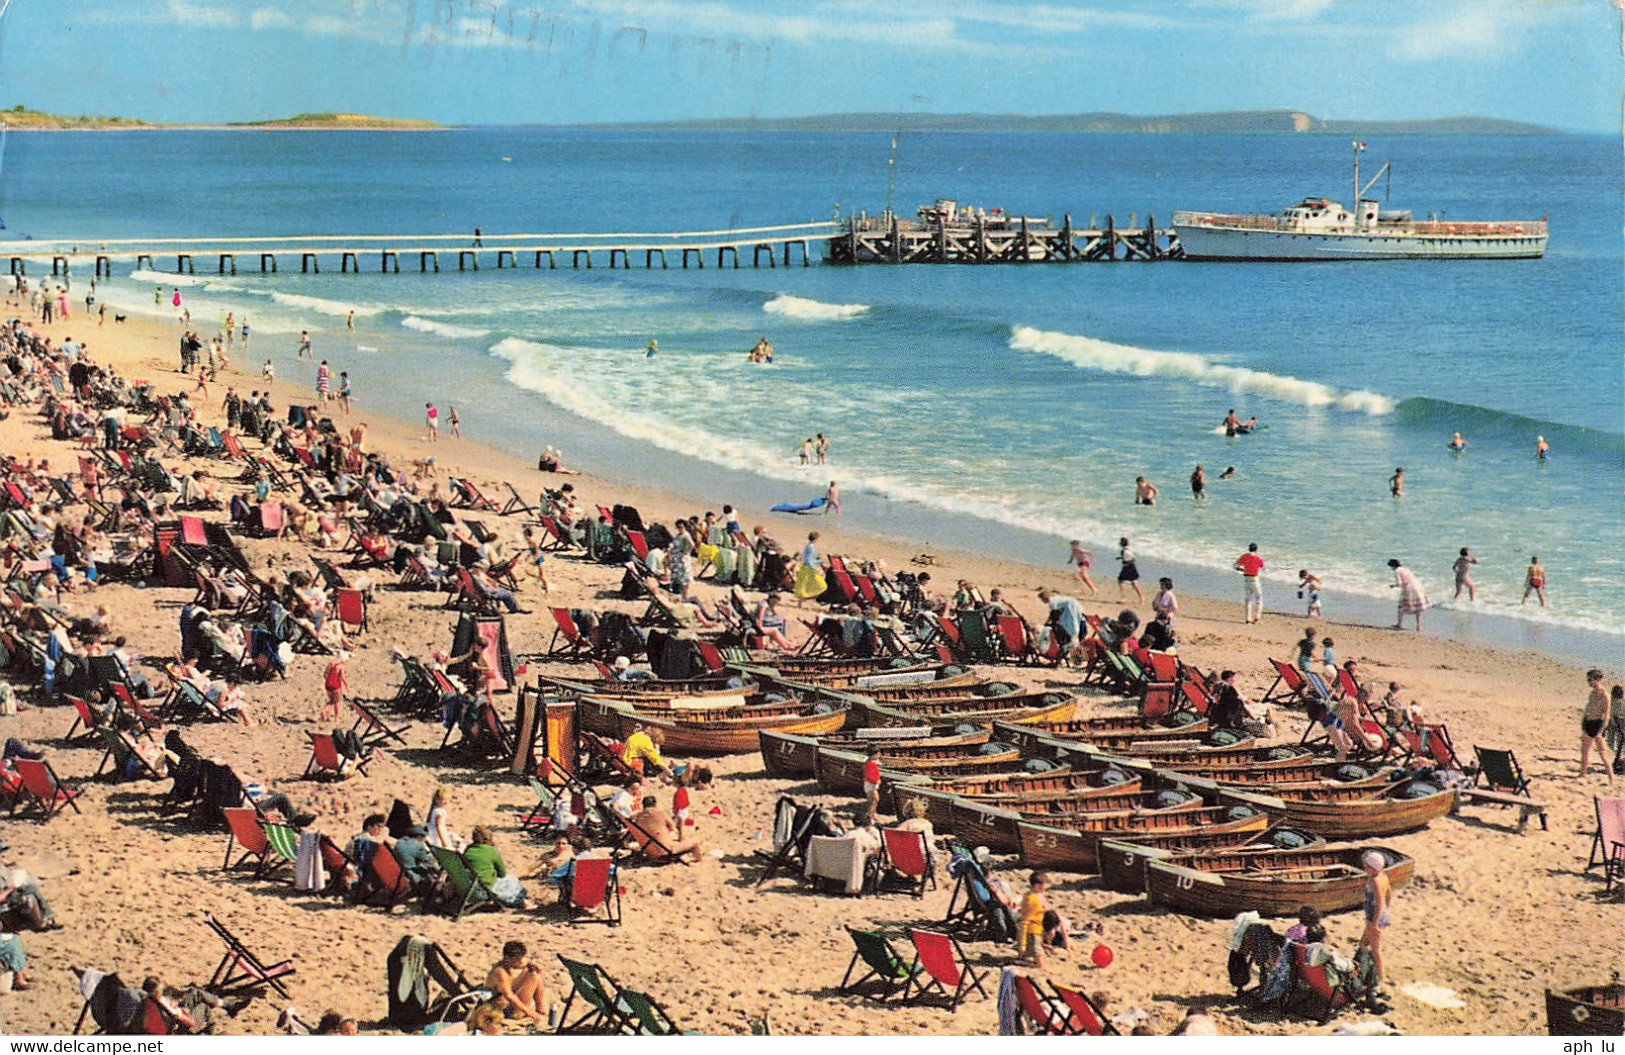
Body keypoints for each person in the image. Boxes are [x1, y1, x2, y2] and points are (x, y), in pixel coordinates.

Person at [485, 941, 549, 1029]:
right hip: (504, 1010)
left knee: (534, 973)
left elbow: (525, 964)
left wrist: (533, 965)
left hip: (506, 1001)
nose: (521, 962)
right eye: (518, 960)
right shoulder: (500, 972)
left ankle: (541, 1010)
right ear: (508, 958)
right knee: (534, 977)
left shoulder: (506, 964)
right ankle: (539, 1014)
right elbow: (510, 996)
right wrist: (531, 1014)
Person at [629, 795, 705, 862]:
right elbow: (672, 827)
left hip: (650, 855)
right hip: (665, 853)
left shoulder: (638, 817)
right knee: (695, 841)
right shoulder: (661, 813)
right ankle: (699, 861)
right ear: (655, 804)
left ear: (643, 806)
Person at [465, 827, 527, 908]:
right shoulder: (491, 851)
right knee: (512, 881)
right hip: (483, 890)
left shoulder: (468, 850)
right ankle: (521, 901)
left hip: (467, 888)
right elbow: (502, 874)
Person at [1361, 852, 1393, 989]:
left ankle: (1381, 980)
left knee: (1375, 950)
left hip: (1375, 917)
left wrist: (1375, 923)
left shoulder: (1375, 881)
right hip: (1377, 915)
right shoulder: (1383, 876)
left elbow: (1380, 903)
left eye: (1366, 866)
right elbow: (1389, 896)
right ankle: (1365, 971)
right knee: (1363, 944)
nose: (1365, 868)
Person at [1580, 669, 1614, 783]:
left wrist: (1601, 729)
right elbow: (1589, 708)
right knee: (1585, 751)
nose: (1589, 682)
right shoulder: (1592, 693)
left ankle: (1611, 778)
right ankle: (1582, 774)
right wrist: (1584, 721)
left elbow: (1606, 715)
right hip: (1588, 723)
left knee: (1603, 754)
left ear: (1598, 680)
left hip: (1597, 725)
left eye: (1590, 680)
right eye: (1588, 680)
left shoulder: (1604, 695)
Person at [1019, 871, 1053, 968]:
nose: (1046, 889)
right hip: (1032, 932)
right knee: (1039, 963)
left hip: (1038, 930)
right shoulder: (1031, 900)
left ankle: (1026, 960)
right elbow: (1025, 922)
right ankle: (1024, 964)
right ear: (1038, 886)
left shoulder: (1037, 896)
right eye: (1044, 886)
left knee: (1035, 953)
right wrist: (1022, 944)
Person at [1387, 559, 1430, 631]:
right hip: (1418, 587)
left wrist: (1393, 586)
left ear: (1393, 566)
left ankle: (1399, 624)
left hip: (1409, 589)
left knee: (1401, 607)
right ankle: (1419, 626)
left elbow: (1400, 583)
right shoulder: (1405, 569)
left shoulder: (1397, 571)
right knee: (1418, 608)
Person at [426, 787, 465, 852]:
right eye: (443, 799)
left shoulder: (435, 809)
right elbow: (439, 827)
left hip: (431, 832)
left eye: (447, 799)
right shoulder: (440, 812)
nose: (446, 801)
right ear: (437, 800)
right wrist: (443, 841)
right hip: (437, 835)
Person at [1234, 542, 1265, 624]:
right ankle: (1257, 617)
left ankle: (1248, 618)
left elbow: (1235, 566)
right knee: (1258, 598)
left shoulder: (1244, 557)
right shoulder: (1258, 558)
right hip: (1255, 579)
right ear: (1256, 550)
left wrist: (1242, 570)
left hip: (1247, 578)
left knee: (1248, 599)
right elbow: (1263, 568)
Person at [1116, 537, 1143, 604]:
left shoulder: (1126, 551)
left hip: (1128, 568)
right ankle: (1141, 597)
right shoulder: (1126, 550)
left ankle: (1124, 598)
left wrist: (1126, 564)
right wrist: (1120, 558)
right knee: (1134, 583)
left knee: (1120, 581)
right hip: (1130, 568)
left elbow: (1134, 559)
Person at [862, 749, 882, 819]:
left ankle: (872, 814)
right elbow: (869, 776)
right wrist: (876, 781)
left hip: (869, 784)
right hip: (871, 784)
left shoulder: (869, 762)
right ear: (874, 755)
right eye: (878, 754)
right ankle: (870, 815)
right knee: (875, 800)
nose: (879, 755)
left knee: (871, 801)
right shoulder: (870, 764)